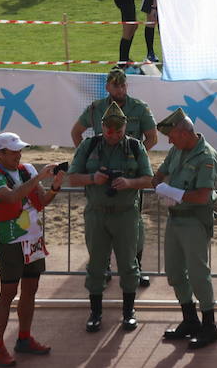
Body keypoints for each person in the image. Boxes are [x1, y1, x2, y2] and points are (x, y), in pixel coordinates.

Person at [126, 109, 217, 349]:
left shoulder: (206, 156)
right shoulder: (176, 150)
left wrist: (175, 193)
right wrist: (161, 189)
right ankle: (190, 319)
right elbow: (157, 177)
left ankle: (209, 325)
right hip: (175, 219)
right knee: (175, 272)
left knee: (199, 274)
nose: (169, 140)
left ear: (184, 132)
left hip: (195, 220)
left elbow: (202, 196)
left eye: (172, 136)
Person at [67, 102, 151, 333]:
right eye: (109, 131)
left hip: (125, 215)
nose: (113, 135)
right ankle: (95, 312)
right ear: (102, 128)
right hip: (97, 214)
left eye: (118, 131)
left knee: (128, 264)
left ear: (125, 128)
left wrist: (129, 183)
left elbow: (149, 179)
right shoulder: (90, 145)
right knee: (95, 265)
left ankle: (128, 312)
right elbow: (72, 177)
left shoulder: (135, 147)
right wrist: (93, 178)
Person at [0, 132, 64, 367]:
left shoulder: (26, 169)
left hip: (34, 240)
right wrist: (40, 175)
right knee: (7, 293)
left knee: (31, 288)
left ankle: (24, 338)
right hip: (11, 243)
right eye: (13, 151)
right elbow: (12, 198)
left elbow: (42, 200)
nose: (18, 154)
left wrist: (55, 187)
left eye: (19, 150)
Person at [70, 68, 158, 150]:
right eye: (116, 86)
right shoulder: (96, 108)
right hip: (102, 161)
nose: (120, 90)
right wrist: (85, 156)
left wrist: (137, 156)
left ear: (126, 86)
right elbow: (76, 133)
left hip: (129, 163)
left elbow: (152, 138)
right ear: (107, 87)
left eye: (123, 86)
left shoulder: (139, 108)